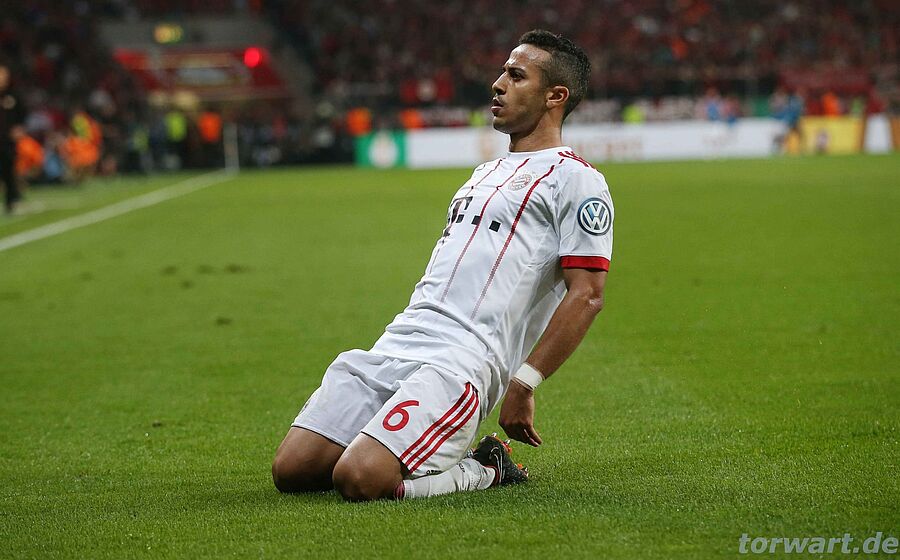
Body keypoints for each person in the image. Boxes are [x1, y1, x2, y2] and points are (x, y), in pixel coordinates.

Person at [272, 30, 614, 501]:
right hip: (399, 340)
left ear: (556, 96)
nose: (498, 84)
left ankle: (486, 469)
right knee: (293, 471)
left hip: (462, 361)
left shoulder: (576, 180)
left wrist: (525, 381)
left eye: (516, 76)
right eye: (503, 72)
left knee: (359, 479)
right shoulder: (484, 173)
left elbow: (588, 294)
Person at [0, 62, 26, 214]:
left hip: (7, 142)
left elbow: (22, 115)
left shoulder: (13, 96)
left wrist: (19, 128)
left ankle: (11, 200)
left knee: (9, 170)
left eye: (3, 76)